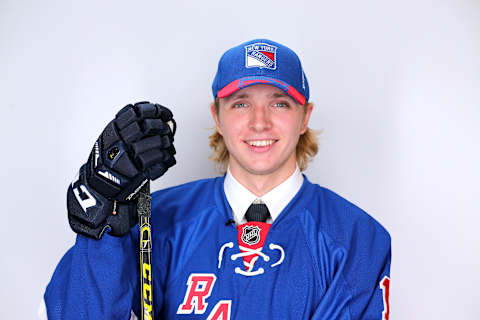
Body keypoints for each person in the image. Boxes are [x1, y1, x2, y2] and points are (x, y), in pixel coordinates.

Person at [42, 39, 391, 319]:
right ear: (217, 117)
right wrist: (101, 227)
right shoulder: (153, 220)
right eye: (240, 103)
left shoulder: (357, 237)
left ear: (304, 117)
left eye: (280, 103)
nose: (259, 123)